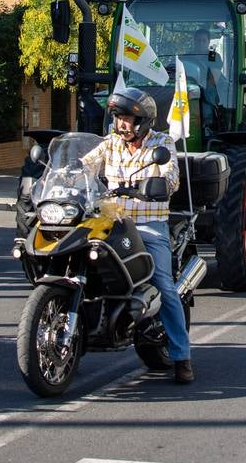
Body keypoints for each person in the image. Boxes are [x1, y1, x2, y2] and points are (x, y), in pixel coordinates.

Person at [82, 87, 194, 384]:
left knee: (164, 286)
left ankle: (182, 356)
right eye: (118, 118)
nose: (121, 124)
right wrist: (65, 174)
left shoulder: (162, 143)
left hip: (147, 224)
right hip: (112, 221)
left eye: (127, 119)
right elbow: (85, 164)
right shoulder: (111, 144)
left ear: (143, 121)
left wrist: (154, 186)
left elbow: (171, 177)